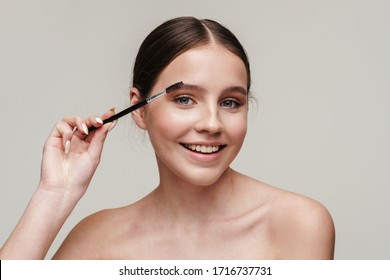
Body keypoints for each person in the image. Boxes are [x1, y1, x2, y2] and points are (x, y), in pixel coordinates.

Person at [0, 16, 335, 259]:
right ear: (140, 110)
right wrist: (55, 194)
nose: (211, 123)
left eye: (230, 102)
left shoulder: (297, 223)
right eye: (185, 99)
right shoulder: (96, 241)